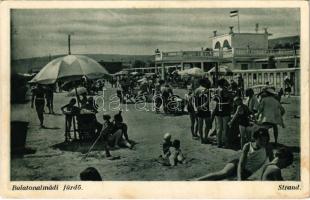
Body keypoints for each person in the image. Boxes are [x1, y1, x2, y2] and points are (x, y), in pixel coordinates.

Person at [195, 128, 273, 181]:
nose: (263, 142)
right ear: (255, 138)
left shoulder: (268, 147)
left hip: (248, 171)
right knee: (223, 173)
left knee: (228, 181)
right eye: (261, 140)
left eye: (265, 140)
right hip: (237, 164)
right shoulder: (248, 146)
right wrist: (239, 178)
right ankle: (196, 180)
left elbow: (272, 162)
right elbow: (241, 163)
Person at [214, 78, 232, 148]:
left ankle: (219, 142)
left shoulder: (216, 90)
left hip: (218, 108)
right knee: (225, 128)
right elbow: (228, 98)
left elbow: (215, 99)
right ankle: (225, 143)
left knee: (219, 127)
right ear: (223, 83)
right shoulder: (225, 90)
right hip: (225, 108)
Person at [194, 78, 212, 143]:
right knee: (207, 124)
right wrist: (203, 106)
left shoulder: (196, 90)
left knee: (200, 124)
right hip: (206, 109)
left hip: (199, 109)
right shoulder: (207, 90)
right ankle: (206, 137)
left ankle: (201, 139)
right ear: (204, 83)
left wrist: (197, 108)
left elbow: (195, 101)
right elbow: (208, 101)